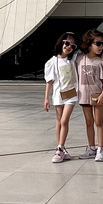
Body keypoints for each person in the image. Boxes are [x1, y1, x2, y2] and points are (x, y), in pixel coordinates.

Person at [76, 29, 103, 162]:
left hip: (97, 95)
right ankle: (91, 148)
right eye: (98, 43)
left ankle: (100, 149)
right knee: (89, 122)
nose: (101, 46)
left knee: (98, 121)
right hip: (83, 95)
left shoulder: (102, 61)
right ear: (89, 43)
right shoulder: (79, 58)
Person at [44, 33, 78, 162]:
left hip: (71, 95)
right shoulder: (52, 62)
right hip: (58, 95)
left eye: (72, 45)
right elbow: (50, 81)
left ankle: (60, 148)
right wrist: (46, 98)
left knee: (64, 121)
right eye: (67, 43)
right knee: (59, 121)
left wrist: (102, 56)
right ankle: (61, 149)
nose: (69, 47)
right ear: (61, 43)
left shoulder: (74, 59)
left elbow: (88, 54)